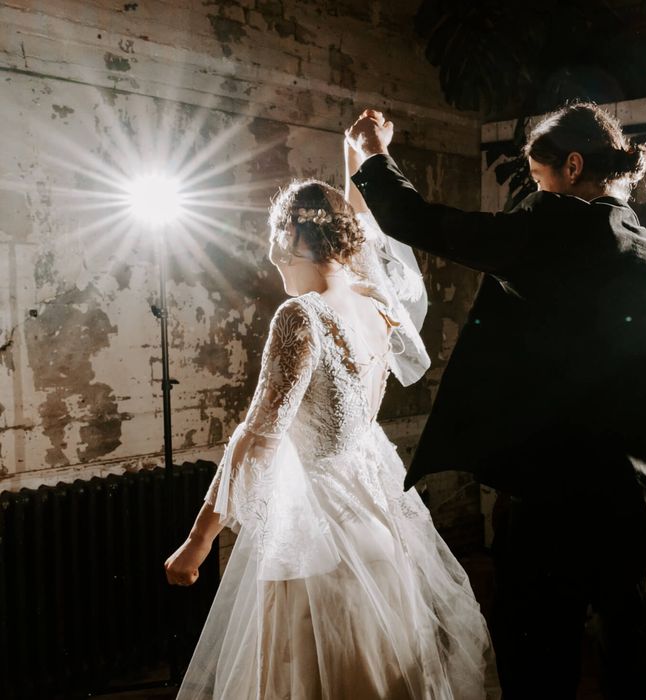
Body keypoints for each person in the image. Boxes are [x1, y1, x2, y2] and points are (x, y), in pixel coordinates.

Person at [345, 103, 646, 699]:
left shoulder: (550, 230)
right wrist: (631, 456)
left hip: (547, 502)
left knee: (537, 660)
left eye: (538, 181)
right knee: (624, 652)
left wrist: (373, 152)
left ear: (572, 167)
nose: (535, 194)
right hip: (630, 502)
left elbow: (423, 221)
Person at [164, 141, 500, 699]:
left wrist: (198, 542)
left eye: (276, 241)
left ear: (293, 237)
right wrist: (358, 161)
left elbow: (259, 437)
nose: (273, 257)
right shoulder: (375, 303)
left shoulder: (302, 315)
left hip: (317, 536)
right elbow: (360, 225)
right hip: (378, 523)